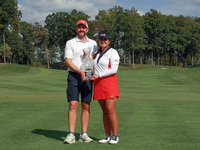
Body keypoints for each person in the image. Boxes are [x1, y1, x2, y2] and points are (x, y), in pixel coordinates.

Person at [64, 20, 97, 144]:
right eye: (79, 27)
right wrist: (79, 72)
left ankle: (83, 134)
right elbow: (68, 61)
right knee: (73, 104)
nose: (81, 29)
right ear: (76, 29)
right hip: (74, 75)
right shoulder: (70, 43)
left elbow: (95, 59)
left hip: (88, 76)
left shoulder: (93, 43)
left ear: (87, 30)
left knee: (86, 105)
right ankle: (71, 134)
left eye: (83, 27)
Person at [91, 30, 120, 144]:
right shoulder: (97, 53)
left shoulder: (113, 52)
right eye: (101, 40)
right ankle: (107, 135)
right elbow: (93, 68)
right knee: (104, 111)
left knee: (110, 110)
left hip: (109, 83)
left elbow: (114, 69)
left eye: (105, 40)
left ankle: (115, 136)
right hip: (98, 84)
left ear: (109, 41)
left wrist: (98, 75)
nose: (103, 41)